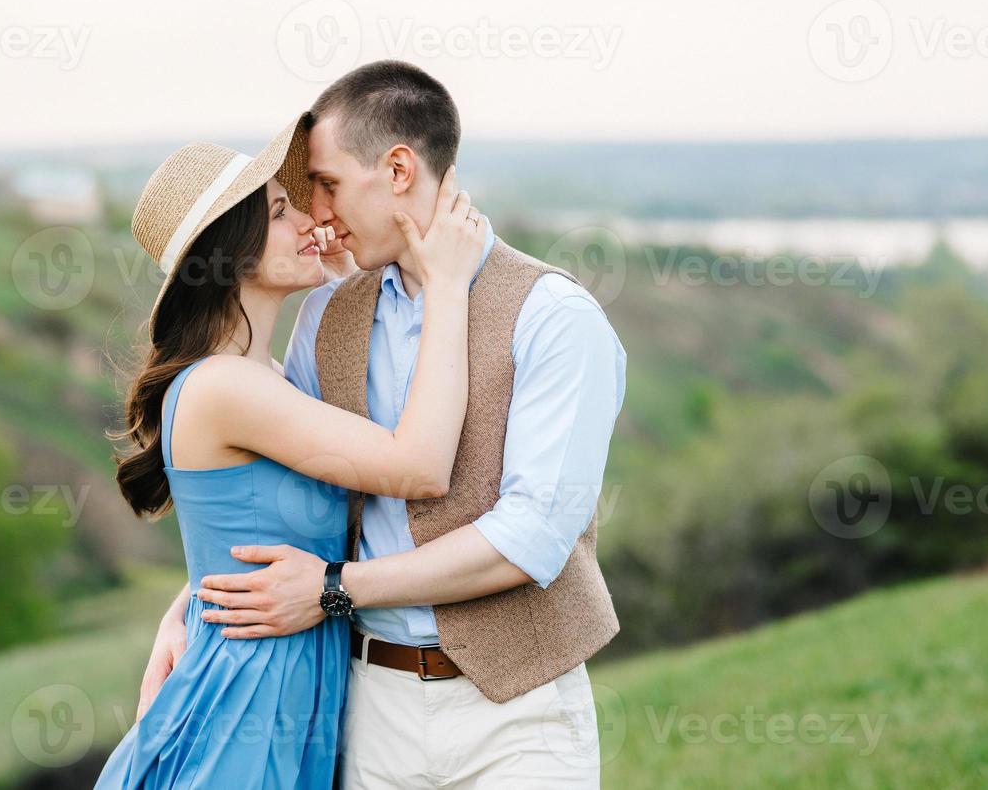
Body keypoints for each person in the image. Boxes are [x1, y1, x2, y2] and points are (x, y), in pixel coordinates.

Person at [139, 61, 628, 788]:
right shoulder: (327, 315)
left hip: (518, 714)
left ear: (397, 169)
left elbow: (531, 539)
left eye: (327, 185)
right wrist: (191, 605)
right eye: (296, 202)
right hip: (368, 710)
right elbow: (284, 491)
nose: (319, 214)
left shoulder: (553, 317)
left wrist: (337, 586)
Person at [93, 117, 486, 789]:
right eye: (280, 212)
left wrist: (186, 602)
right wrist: (447, 286)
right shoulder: (224, 388)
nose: (309, 218)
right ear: (232, 253)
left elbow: (249, 528)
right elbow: (418, 465)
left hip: (285, 687)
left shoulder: (264, 377)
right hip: (247, 699)